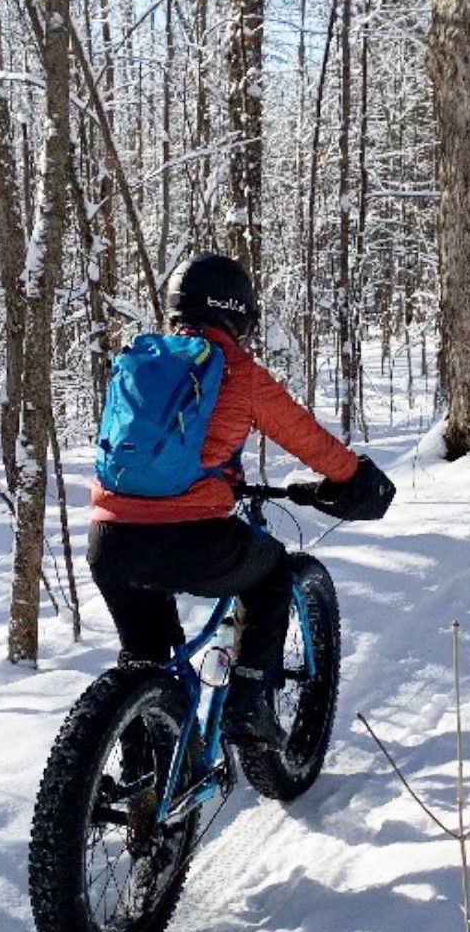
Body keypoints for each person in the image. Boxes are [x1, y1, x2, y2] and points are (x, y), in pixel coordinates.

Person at [88, 253, 392, 745]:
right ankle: (249, 705)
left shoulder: (140, 360)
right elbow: (311, 442)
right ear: (237, 312)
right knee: (272, 575)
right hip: (195, 539)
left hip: (110, 539)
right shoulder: (241, 373)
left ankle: (136, 777)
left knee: (145, 661)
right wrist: (357, 480)